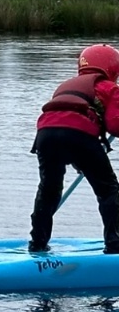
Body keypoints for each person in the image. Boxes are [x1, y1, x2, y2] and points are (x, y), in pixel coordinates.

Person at [28, 43, 119, 253]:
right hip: (79, 136)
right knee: (108, 190)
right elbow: (115, 125)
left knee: (49, 190)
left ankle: (37, 244)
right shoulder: (110, 88)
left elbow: (63, 121)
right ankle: (115, 245)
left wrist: (80, 159)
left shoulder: (66, 85)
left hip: (45, 135)